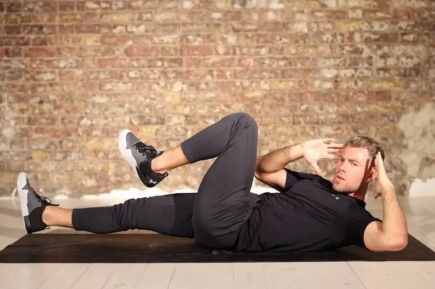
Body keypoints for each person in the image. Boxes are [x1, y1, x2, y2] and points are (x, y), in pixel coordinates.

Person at [17, 112, 408, 252]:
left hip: (230, 223)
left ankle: (153, 166)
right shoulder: (316, 186)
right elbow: (264, 170)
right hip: (227, 216)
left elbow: (393, 240)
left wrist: (386, 186)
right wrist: (297, 149)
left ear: (370, 175)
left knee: (243, 124)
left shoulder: (356, 221)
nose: (340, 167)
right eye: (341, 159)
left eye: (352, 164)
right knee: (132, 211)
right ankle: (42, 214)